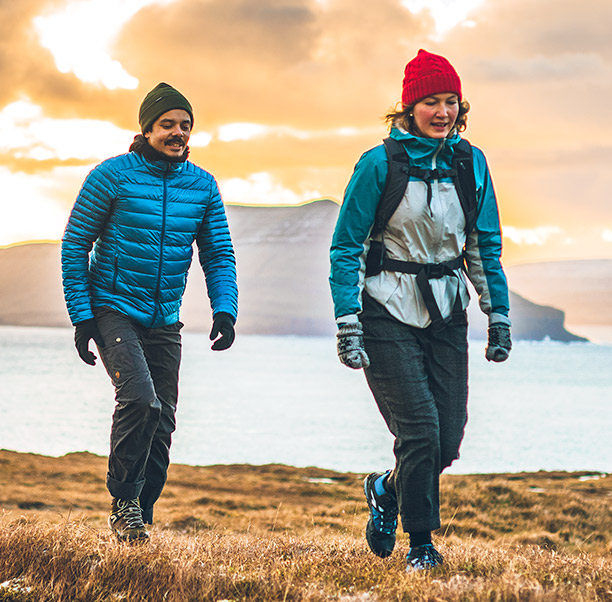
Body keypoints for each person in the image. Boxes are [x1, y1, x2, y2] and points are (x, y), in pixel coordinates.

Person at [329, 50, 511, 571]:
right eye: (431, 101)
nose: (443, 111)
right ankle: (422, 545)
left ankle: (386, 489)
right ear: (408, 107)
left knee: (447, 440)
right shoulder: (378, 164)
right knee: (419, 434)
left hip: (448, 312)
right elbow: (347, 247)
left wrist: (497, 314)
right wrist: (348, 323)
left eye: (451, 100)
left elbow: (484, 245)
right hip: (385, 310)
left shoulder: (471, 163)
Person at [61, 82, 238, 543]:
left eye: (185, 125)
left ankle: (141, 514)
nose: (177, 133)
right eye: (167, 125)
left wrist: (225, 310)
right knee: (140, 400)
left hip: (164, 318)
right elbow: (75, 243)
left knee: (163, 421)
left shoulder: (201, 185)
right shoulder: (113, 175)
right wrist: (83, 317)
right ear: (147, 129)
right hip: (112, 308)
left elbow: (218, 253)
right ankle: (123, 502)